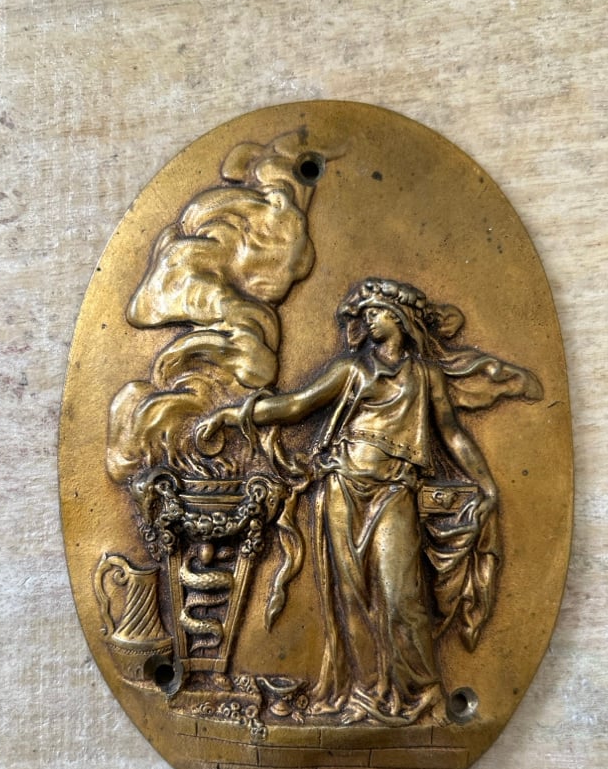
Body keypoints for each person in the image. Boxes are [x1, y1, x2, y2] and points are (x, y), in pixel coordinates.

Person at [199, 278, 497, 724]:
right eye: (365, 314)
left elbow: (452, 433)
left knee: (401, 597)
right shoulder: (352, 370)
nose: (367, 321)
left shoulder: (425, 376)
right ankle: (365, 694)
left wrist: (486, 483)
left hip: (395, 491)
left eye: (376, 312)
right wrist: (234, 412)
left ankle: (421, 693)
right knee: (352, 597)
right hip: (343, 487)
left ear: (399, 318)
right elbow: (296, 406)